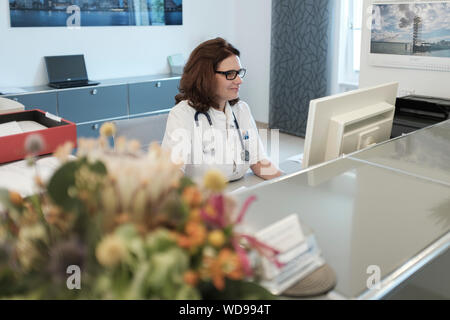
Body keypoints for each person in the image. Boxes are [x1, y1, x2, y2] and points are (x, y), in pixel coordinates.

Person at [162, 37, 282, 182]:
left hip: (240, 194)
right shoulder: (182, 115)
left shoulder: (241, 109)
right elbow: (171, 176)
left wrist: (289, 182)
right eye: (230, 74)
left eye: (239, 72)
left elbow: (258, 161)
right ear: (206, 76)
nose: (239, 80)